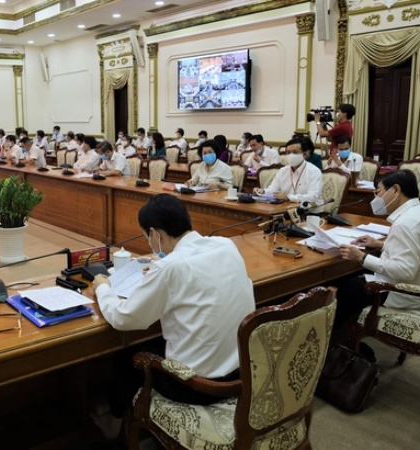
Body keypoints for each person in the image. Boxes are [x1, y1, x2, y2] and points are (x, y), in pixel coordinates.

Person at [91, 194, 255, 440]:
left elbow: (123, 318)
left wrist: (103, 287)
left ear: (154, 234)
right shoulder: (226, 246)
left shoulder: (169, 268)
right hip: (239, 374)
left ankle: (113, 423)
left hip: (196, 386)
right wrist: (162, 267)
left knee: (128, 355)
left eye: (147, 237)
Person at [336, 170, 420, 351]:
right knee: (357, 277)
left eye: (379, 192)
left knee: (347, 287)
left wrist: (361, 257)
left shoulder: (405, 223)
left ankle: (337, 344)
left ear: (396, 190)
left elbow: (405, 271)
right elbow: (418, 251)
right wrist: (379, 244)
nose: (376, 198)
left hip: (407, 294)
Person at [255, 137, 322, 204]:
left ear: (304, 154)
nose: (291, 155)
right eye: (288, 152)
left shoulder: (314, 171)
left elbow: (313, 197)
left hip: (310, 209)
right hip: (287, 208)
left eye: (295, 152)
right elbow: (273, 189)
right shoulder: (283, 171)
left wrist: (289, 197)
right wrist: (263, 192)